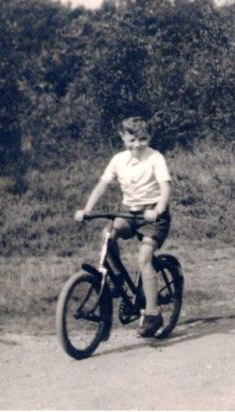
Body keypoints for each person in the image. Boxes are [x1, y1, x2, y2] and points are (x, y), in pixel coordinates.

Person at [74, 117, 172, 337]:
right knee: (109, 233)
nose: (137, 145)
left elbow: (165, 188)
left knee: (144, 258)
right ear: (123, 138)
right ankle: (116, 280)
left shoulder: (155, 158)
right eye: (132, 140)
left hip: (154, 216)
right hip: (129, 213)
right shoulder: (118, 159)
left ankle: (153, 314)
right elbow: (102, 185)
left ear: (150, 138)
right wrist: (87, 209)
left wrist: (158, 209)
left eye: (143, 139)